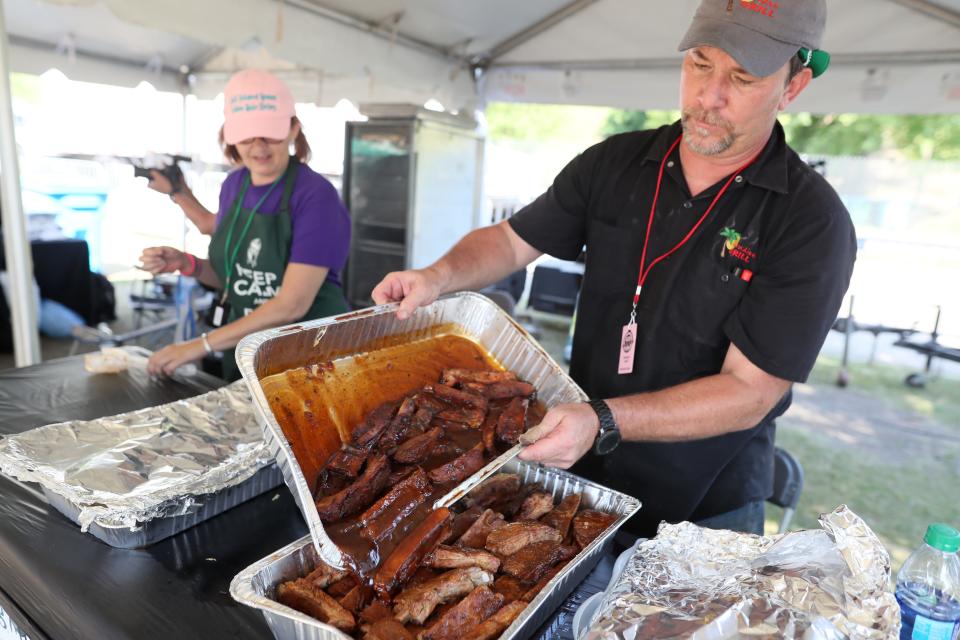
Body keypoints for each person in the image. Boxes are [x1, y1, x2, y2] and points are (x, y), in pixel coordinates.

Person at [372, 0, 856, 538]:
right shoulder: (614, 163)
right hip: (583, 480)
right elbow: (511, 242)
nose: (708, 97)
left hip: (707, 513)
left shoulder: (812, 221)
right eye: (699, 63)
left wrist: (602, 419)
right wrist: (437, 277)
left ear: (793, 86)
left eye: (742, 78)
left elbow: (750, 392)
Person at [140, 69, 351, 381]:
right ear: (229, 135)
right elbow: (238, 279)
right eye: (247, 136)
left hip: (311, 356)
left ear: (293, 129)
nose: (259, 147)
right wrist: (188, 264)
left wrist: (199, 345)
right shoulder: (234, 184)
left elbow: (292, 304)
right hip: (247, 350)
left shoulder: (316, 196)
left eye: (270, 134)